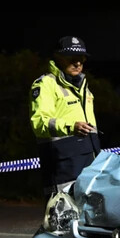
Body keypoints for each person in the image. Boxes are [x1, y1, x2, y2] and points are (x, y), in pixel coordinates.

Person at [30, 36, 100, 198]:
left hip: (91, 160)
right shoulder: (46, 84)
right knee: (62, 216)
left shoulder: (83, 85)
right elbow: (39, 123)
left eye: (81, 59)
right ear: (58, 58)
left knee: (90, 214)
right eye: (72, 58)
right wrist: (71, 126)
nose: (78, 63)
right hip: (62, 164)